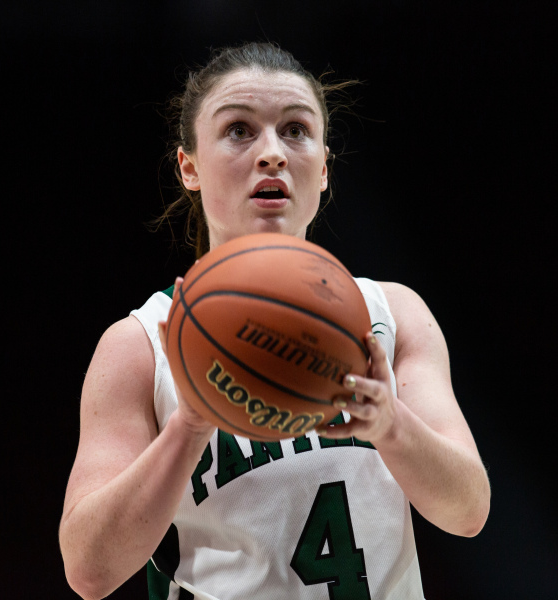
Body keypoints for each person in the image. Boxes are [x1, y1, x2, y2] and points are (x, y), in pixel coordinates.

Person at [59, 42, 490, 600]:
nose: (273, 154)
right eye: (239, 130)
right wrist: (188, 429)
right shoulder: (141, 344)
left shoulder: (393, 315)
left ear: (325, 169)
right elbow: (89, 572)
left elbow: (469, 511)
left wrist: (390, 425)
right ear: (188, 167)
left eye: (295, 130)